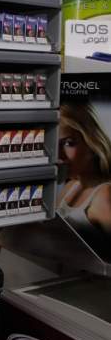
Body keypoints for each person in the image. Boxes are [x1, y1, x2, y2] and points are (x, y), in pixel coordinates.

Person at [57, 102, 111, 251]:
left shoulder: (104, 196)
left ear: (92, 143)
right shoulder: (71, 185)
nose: (59, 155)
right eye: (53, 144)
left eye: (69, 143)